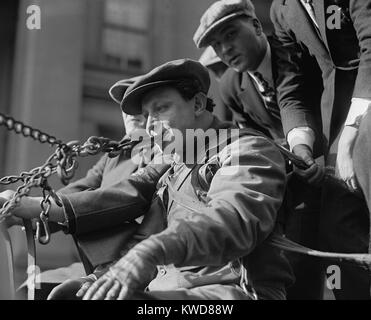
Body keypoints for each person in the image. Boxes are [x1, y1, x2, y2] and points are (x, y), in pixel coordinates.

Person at [64, 58, 295, 300]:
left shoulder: (243, 149)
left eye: (161, 109)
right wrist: (98, 280)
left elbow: (233, 218)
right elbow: (143, 240)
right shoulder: (173, 171)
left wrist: (153, 250)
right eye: (146, 115)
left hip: (232, 294)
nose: (151, 126)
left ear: (197, 104)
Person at [193, 0, 323, 299]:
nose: (224, 50)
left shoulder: (293, 51)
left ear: (255, 26)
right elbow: (255, 139)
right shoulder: (231, 85)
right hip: (295, 184)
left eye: (229, 36)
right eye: (216, 43)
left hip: (332, 162)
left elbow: (296, 101)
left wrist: (303, 150)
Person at [0, 76, 170, 287]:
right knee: (34, 288)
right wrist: (24, 209)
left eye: (138, 104)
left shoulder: (174, 149)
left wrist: (35, 207)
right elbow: (80, 190)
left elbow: (127, 195)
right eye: (126, 105)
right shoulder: (114, 157)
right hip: (102, 262)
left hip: (153, 264)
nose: (131, 113)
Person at [270, 0, 371, 299]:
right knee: (336, 231)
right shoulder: (281, 10)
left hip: (365, 101)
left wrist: (351, 136)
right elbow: (293, 85)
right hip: (334, 121)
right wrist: (301, 147)